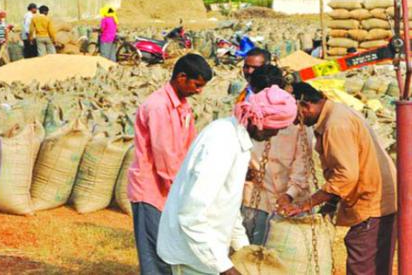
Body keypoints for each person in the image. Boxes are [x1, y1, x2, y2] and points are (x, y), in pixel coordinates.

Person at [157, 86, 298, 275]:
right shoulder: (221, 142)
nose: (274, 135)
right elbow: (191, 215)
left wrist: (244, 249)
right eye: (276, 128)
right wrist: (225, 267)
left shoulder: (237, 139)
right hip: (193, 254)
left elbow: (228, 205)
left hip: (209, 252)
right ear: (260, 120)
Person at [286, 82, 397, 275]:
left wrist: (307, 204)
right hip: (376, 196)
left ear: (306, 105)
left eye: (295, 116)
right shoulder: (336, 112)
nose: (295, 122)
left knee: (362, 265)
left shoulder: (335, 125)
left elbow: (346, 175)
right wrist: (329, 204)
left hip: (372, 201)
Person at [128, 53, 213, 275]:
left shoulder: (182, 106)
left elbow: (189, 146)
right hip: (152, 191)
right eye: (196, 84)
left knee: (169, 252)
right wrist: (184, 190)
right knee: (155, 256)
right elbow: (164, 155)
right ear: (181, 77)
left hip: (171, 190)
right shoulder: (158, 106)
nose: (199, 90)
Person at [241, 65, 312, 245]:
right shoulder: (247, 114)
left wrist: (290, 194)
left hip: (291, 201)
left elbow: (303, 163)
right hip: (256, 199)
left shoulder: (295, 117)